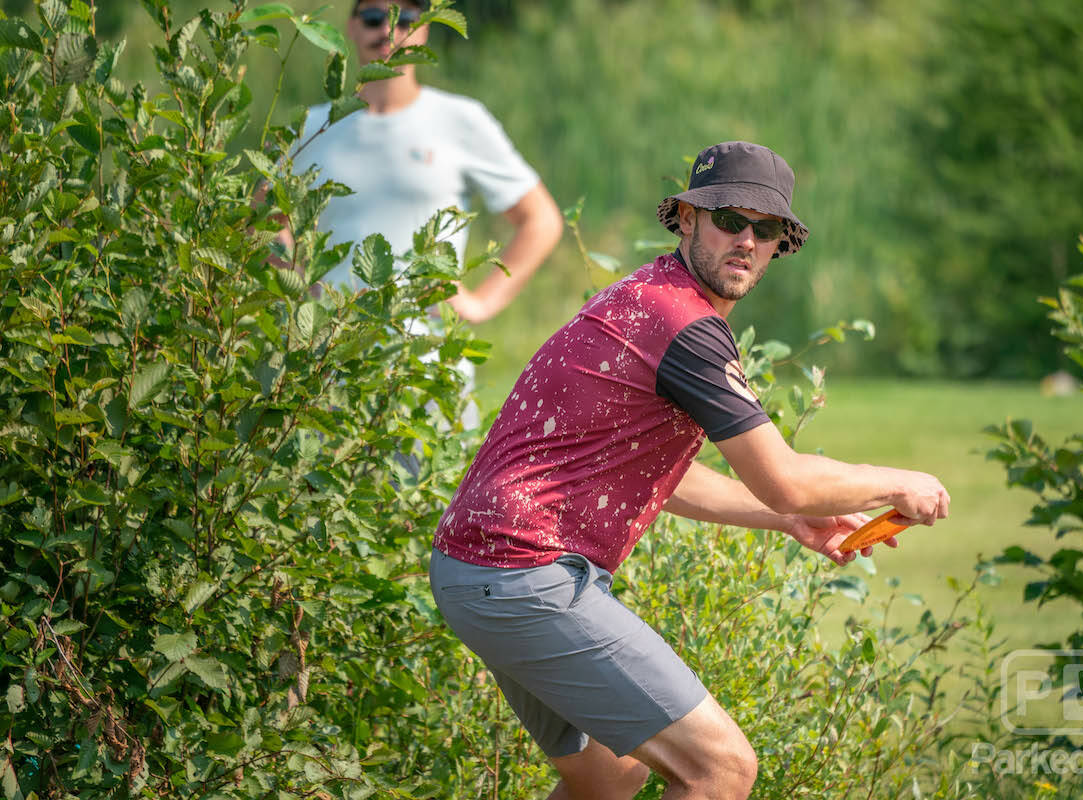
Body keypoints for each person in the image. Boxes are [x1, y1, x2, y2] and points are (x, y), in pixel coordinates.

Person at [429, 141, 951, 799]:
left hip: (480, 572)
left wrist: (791, 520)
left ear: (779, 246)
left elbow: (667, 479)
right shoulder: (684, 326)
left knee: (610, 779)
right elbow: (785, 476)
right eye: (731, 219)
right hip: (521, 573)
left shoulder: (649, 295)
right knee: (721, 769)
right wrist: (898, 480)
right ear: (685, 217)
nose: (748, 241)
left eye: (767, 230)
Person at [283, 0, 562, 318]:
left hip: (427, 358)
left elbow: (542, 220)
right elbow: (264, 220)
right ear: (351, 27)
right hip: (330, 356)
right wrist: (299, 291)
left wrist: (481, 304)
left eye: (405, 20)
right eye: (375, 18)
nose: (389, 31)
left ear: (425, 30)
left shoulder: (460, 120)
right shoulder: (311, 129)